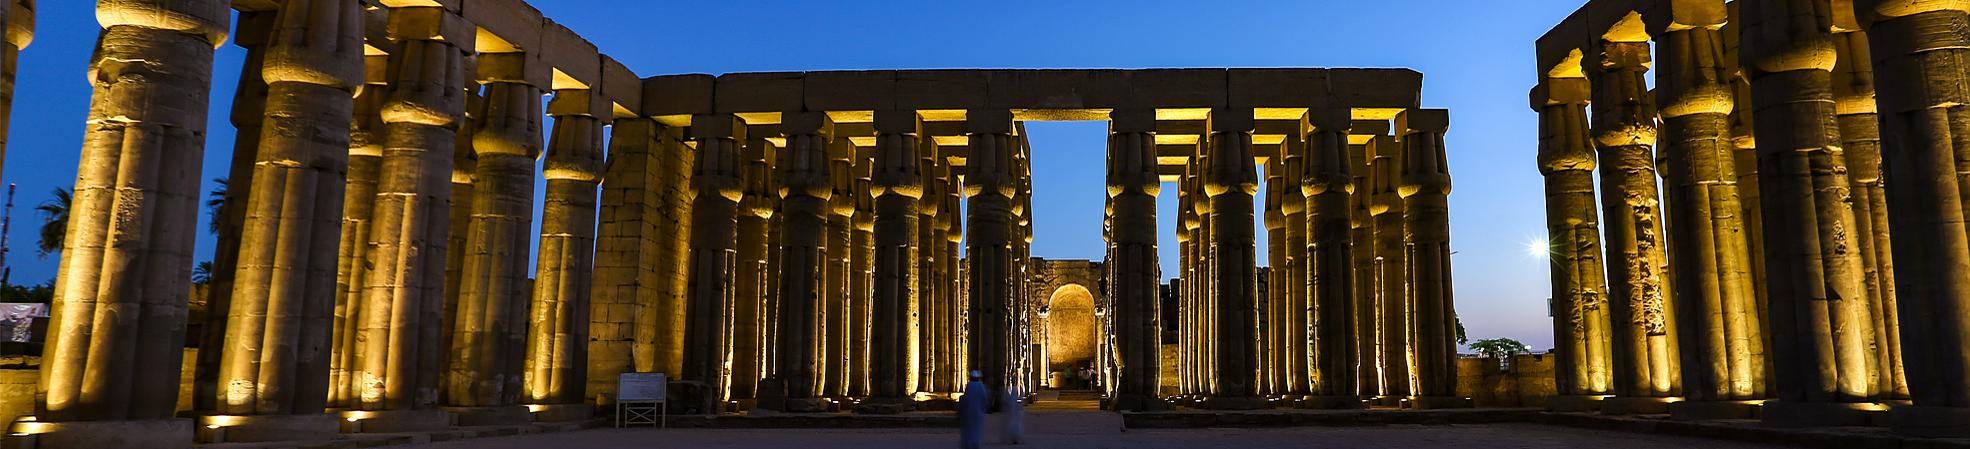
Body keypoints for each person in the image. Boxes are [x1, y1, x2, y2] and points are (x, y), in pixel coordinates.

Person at [959, 371, 988, 449]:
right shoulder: (981, 386)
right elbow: (984, 398)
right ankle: (975, 444)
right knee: (976, 429)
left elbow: (965, 398)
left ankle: (968, 444)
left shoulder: (969, 386)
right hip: (978, 411)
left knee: (969, 429)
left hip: (969, 411)